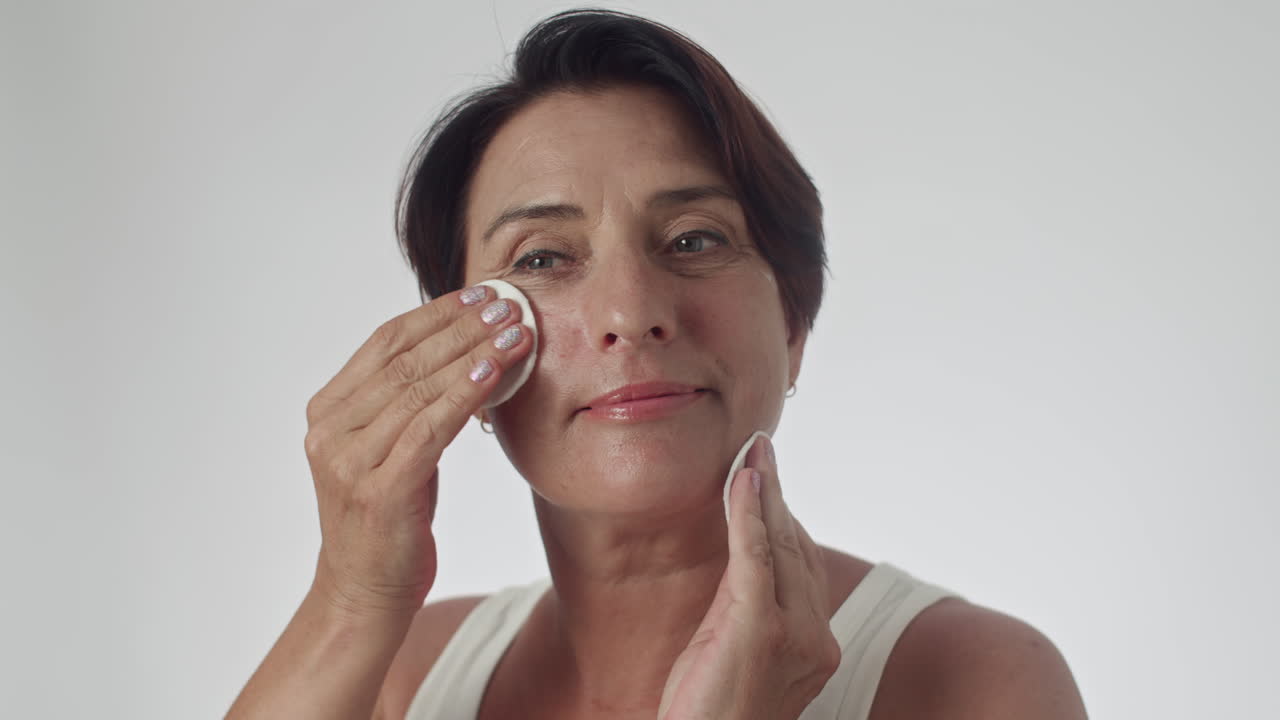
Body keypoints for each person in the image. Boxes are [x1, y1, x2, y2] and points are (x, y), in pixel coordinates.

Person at [227, 8, 1087, 720]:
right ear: (461, 359)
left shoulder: (977, 682)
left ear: (793, 321)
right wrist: (349, 601)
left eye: (694, 240)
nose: (631, 313)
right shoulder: (404, 676)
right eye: (542, 259)